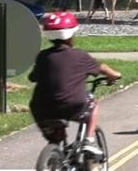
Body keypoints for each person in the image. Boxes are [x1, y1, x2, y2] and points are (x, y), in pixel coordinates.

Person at [28, 12, 121, 156]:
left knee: (55, 135)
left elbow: (32, 77)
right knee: (93, 104)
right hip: (73, 105)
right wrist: (114, 75)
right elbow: (101, 68)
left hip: (42, 108)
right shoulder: (79, 56)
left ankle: (53, 157)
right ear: (71, 35)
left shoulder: (43, 56)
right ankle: (89, 141)